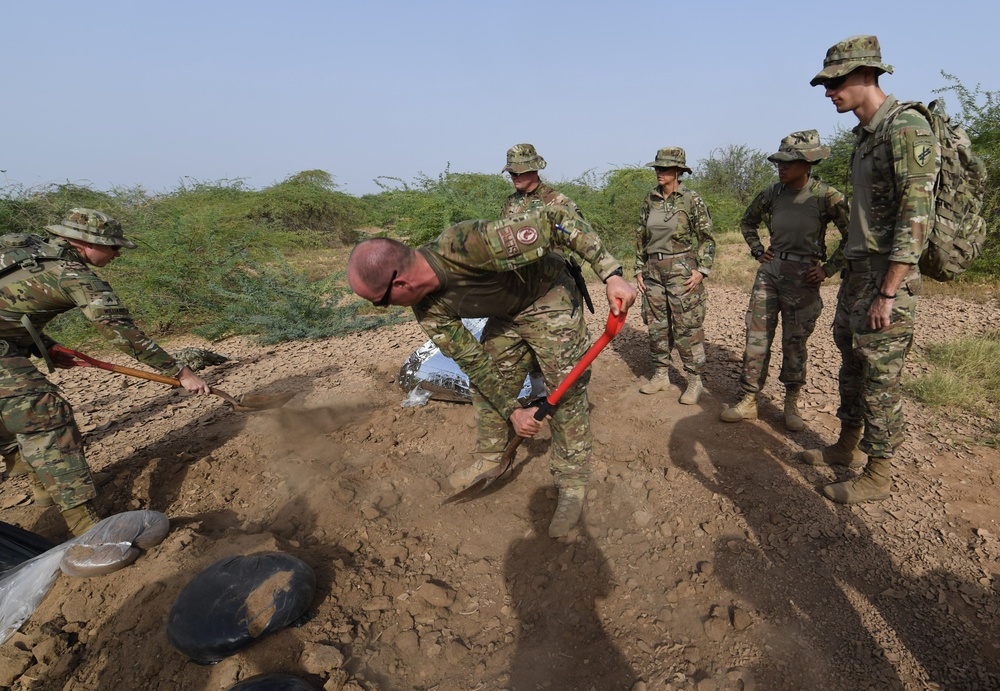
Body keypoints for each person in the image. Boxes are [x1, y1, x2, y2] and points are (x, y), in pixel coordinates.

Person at [347, 206, 636, 537]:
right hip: (506, 313)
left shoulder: (469, 245)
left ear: (399, 283)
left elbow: (557, 221)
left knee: (565, 390)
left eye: (380, 302)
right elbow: (474, 362)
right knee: (485, 385)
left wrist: (612, 274)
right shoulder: (427, 309)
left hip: (548, 294)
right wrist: (514, 413)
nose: (383, 309)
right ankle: (491, 458)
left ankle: (571, 481)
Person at [0, 209, 210, 536]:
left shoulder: (26, 250)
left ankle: (42, 484)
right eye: (112, 246)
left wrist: (45, 344)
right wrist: (181, 372)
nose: (117, 253)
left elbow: (9, 306)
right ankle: (88, 532)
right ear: (85, 243)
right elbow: (120, 331)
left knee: (13, 411)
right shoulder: (73, 275)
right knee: (46, 415)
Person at [802, 35, 940, 504]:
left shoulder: (906, 128)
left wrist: (888, 291)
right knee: (852, 365)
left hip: (886, 279)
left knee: (880, 375)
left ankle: (879, 474)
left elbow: (915, 217)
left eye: (836, 81)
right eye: (826, 83)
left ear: (866, 75)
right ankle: (847, 446)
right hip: (859, 273)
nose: (829, 92)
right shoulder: (865, 138)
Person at [720, 130, 850, 430]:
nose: (781, 167)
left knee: (794, 343)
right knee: (756, 339)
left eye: (788, 163)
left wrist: (829, 269)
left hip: (804, 278)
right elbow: (747, 221)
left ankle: (791, 403)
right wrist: (757, 251)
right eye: (779, 162)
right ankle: (750, 399)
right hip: (771, 272)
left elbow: (852, 235)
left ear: (807, 164)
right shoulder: (772, 193)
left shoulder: (826, 196)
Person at [635, 147, 715, 404]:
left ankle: (694, 380)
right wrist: (639, 267)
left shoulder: (691, 200)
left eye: (665, 168)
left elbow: (707, 238)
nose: (659, 172)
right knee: (656, 325)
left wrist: (702, 270)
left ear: (678, 171)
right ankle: (661, 374)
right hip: (653, 271)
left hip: (681, 270)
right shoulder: (650, 199)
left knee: (686, 327)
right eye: (657, 168)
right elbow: (640, 235)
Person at [500, 143, 582, 218]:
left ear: (532, 170)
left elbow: (581, 232)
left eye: (517, 173)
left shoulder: (559, 202)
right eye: (511, 173)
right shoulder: (510, 202)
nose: (513, 177)